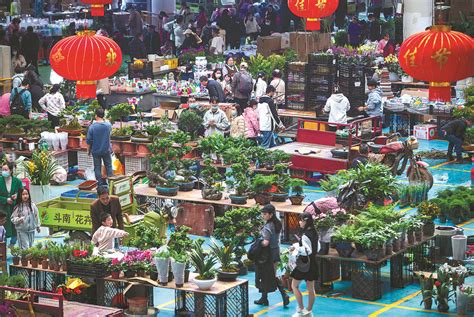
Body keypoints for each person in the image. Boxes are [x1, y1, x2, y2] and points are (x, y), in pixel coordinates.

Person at [254, 204, 290, 307]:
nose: (263, 216)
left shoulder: (268, 226)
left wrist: (257, 242)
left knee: (266, 276)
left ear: (271, 214)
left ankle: (283, 295)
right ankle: (265, 298)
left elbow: (265, 242)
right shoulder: (277, 223)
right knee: (269, 276)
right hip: (275, 252)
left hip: (267, 255)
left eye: (265, 214)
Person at [290, 212, 318, 317]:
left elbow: (307, 251)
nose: (299, 222)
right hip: (313, 262)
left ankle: (301, 309)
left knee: (294, 286)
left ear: (306, 221)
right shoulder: (315, 232)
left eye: (301, 220)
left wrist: (295, 248)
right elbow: (317, 248)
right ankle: (309, 311)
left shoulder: (305, 235)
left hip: (304, 264)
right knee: (311, 289)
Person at [86, 109, 113, 186]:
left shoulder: (92, 127)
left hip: (95, 150)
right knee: (108, 166)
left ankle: (99, 184)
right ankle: (111, 183)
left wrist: (88, 150)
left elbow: (88, 140)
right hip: (106, 150)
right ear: (103, 116)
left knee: (97, 167)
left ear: (96, 116)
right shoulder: (108, 125)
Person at [0, 162, 22, 248]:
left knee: (15, 227)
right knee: (2, 227)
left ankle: (12, 244)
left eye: (6, 170)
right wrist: (5, 200)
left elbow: (23, 193)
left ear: (11, 170)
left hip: (14, 209)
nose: (3, 171)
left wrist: (17, 195)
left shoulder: (17, 181)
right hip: (2, 209)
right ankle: (2, 247)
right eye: (2, 169)